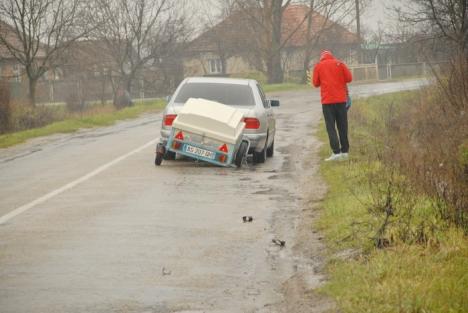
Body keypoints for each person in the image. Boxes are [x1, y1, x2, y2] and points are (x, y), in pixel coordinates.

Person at [312, 50, 352, 161]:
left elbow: (315, 83)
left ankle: (336, 152)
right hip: (341, 100)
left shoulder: (318, 66)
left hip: (327, 102)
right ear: (331, 56)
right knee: (343, 126)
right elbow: (349, 78)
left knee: (331, 127)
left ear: (322, 57)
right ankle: (345, 152)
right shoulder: (340, 63)